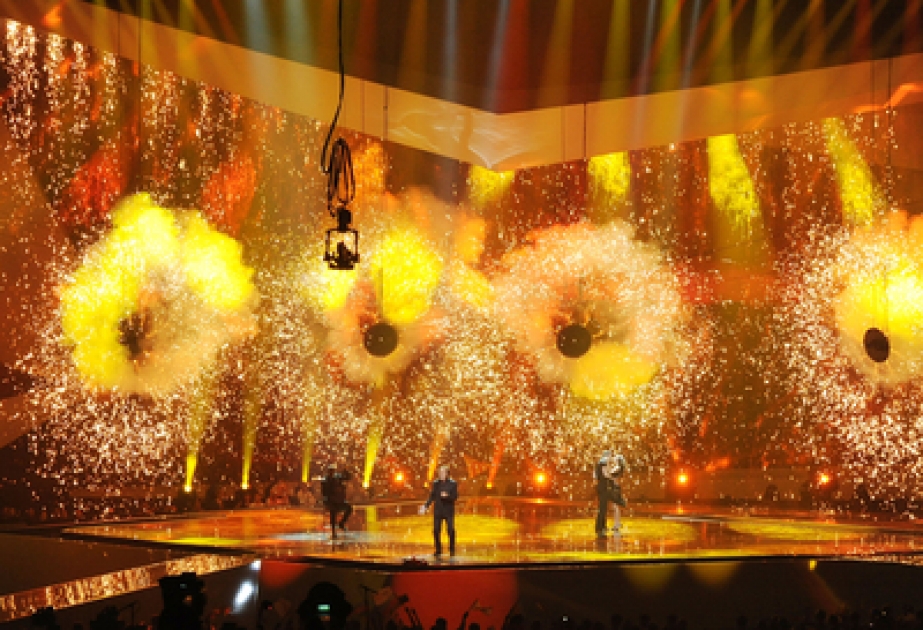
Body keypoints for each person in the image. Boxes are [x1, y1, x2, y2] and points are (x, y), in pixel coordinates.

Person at [420, 465, 458, 556]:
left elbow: (455, 497)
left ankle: (452, 548)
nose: (440, 474)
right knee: (436, 530)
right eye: (439, 472)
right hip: (438, 511)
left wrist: (447, 496)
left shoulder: (453, 483)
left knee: (450, 530)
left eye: (442, 472)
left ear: (447, 473)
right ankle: (438, 549)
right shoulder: (436, 483)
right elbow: (432, 496)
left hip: (448, 511)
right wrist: (425, 506)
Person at [321, 463, 353, 538]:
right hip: (331, 501)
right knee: (333, 512)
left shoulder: (337, 477)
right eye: (331, 470)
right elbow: (324, 493)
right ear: (328, 471)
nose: (332, 472)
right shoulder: (325, 480)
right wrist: (329, 498)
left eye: (333, 470)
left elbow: (348, 477)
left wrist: (346, 470)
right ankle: (333, 532)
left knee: (349, 508)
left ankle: (341, 523)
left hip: (339, 501)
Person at [607, 453, 628, 534]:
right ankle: (617, 524)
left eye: (615, 458)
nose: (614, 459)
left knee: (615, 507)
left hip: (615, 489)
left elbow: (609, 475)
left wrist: (608, 465)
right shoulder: (617, 467)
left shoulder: (617, 467)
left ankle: (617, 524)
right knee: (615, 507)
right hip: (615, 488)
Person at [594, 450, 611, 536]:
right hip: (603, 488)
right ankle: (600, 528)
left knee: (602, 507)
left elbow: (595, 476)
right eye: (609, 456)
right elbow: (607, 475)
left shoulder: (598, 464)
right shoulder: (604, 464)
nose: (610, 458)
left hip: (600, 488)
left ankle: (602, 526)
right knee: (603, 508)